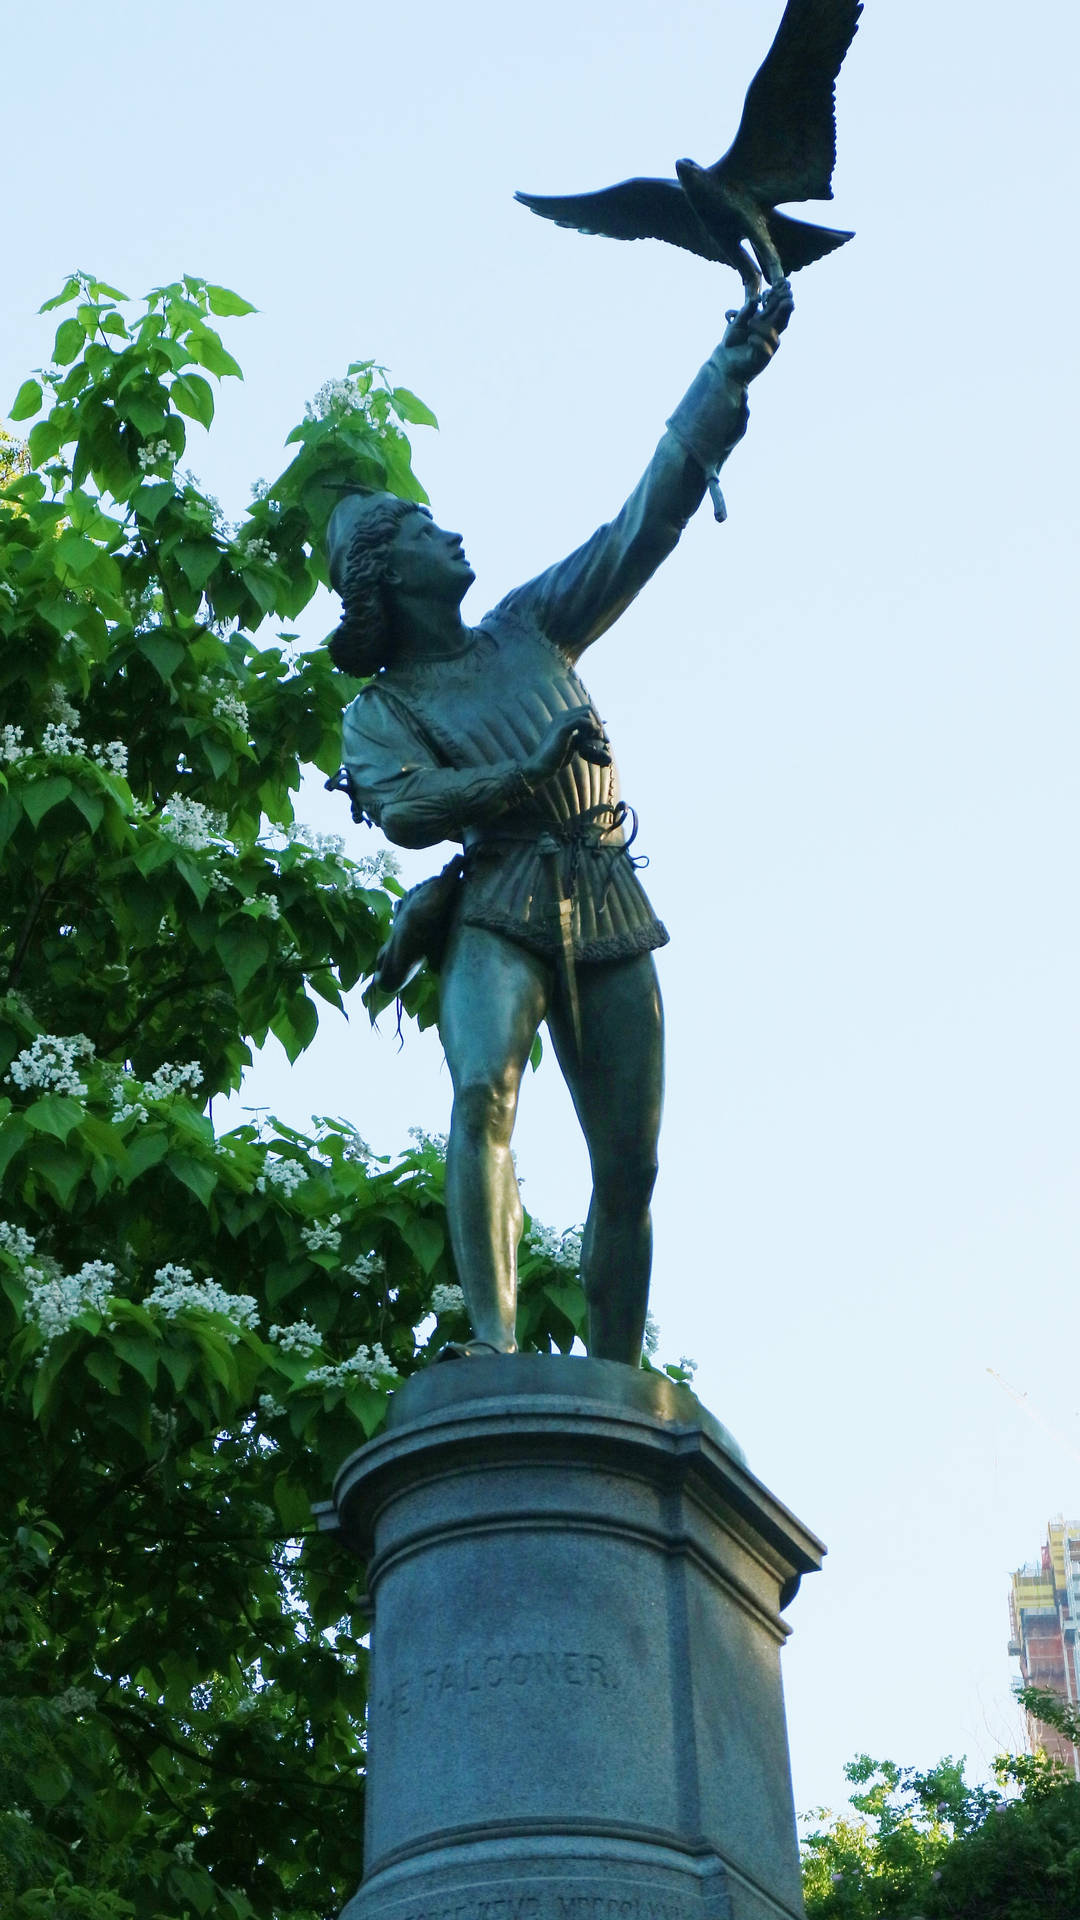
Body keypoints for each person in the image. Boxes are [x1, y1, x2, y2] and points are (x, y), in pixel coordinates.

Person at [326, 286, 794, 1366]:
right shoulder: (384, 708)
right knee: (483, 1084)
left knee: (630, 1167)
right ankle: (491, 1343)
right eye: (427, 530)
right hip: (497, 900)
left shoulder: (530, 626)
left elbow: (643, 523)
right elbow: (402, 806)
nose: (454, 533)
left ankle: (616, 1383)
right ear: (392, 574)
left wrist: (728, 373)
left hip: (607, 894)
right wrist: (521, 773)